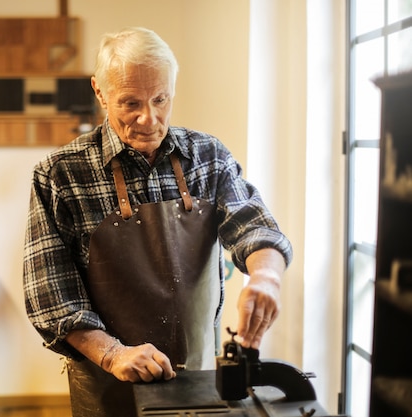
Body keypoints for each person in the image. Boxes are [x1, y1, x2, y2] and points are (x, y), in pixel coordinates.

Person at [23, 27, 292, 417]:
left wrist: (266, 277)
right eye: (130, 102)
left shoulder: (208, 156)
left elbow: (255, 225)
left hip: (197, 377)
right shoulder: (59, 174)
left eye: (161, 99)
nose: (149, 118)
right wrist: (113, 354)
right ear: (100, 92)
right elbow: (52, 298)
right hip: (106, 385)